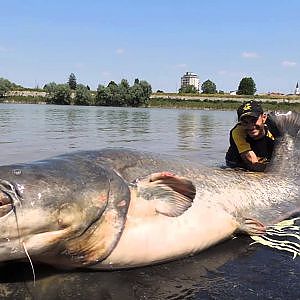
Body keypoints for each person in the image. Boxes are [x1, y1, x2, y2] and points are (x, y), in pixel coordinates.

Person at [225, 100, 280, 172]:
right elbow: (253, 163)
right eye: (245, 122)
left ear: (264, 118)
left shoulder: (275, 126)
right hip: (237, 164)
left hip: (264, 158)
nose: (251, 126)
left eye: (254, 120)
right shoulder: (237, 131)